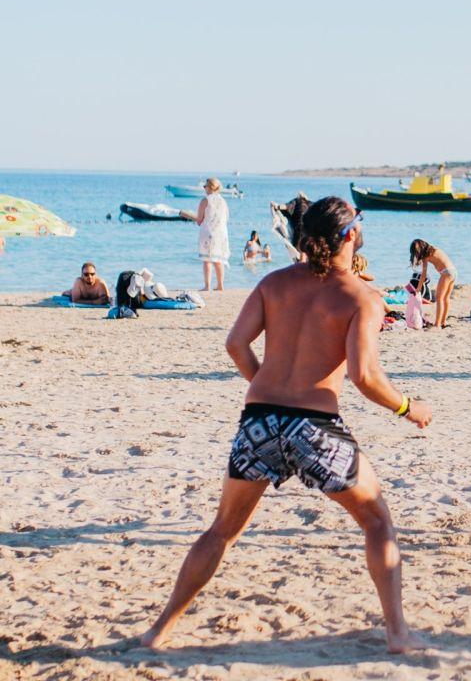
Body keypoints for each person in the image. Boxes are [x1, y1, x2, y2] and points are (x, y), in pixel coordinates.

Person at [140, 197, 432, 654]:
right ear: (351, 234)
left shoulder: (273, 282)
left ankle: (159, 630)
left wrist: (268, 387)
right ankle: (398, 633)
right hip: (315, 426)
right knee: (377, 523)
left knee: (221, 531)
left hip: (258, 422)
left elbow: (236, 344)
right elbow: (365, 377)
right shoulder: (361, 297)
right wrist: (408, 407)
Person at [409, 239, 455, 329]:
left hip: (446, 273)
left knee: (439, 298)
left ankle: (437, 324)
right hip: (454, 271)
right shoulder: (434, 249)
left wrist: (418, 288)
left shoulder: (426, 256)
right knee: (446, 298)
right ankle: (443, 322)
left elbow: (423, 274)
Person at [195, 177, 230, 291]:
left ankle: (207, 286)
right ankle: (220, 285)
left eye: (205, 186)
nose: (204, 188)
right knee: (219, 260)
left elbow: (199, 220)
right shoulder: (223, 201)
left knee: (207, 260)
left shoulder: (205, 200)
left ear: (210, 187)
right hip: (221, 233)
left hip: (209, 232)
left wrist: (197, 219)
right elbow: (227, 218)